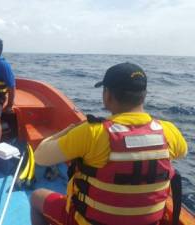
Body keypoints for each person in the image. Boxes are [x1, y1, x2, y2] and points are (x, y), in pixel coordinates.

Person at [30, 63, 188, 225]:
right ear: (144, 95)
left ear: (107, 95)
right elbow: (182, 152)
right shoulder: (168, 131)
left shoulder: (92, 132)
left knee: (36, 196)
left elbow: (40, 157)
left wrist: (68, 131)